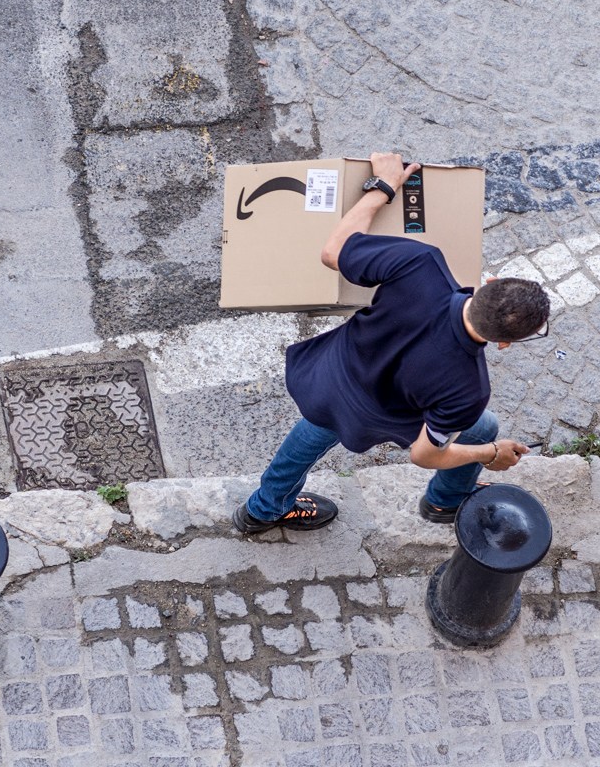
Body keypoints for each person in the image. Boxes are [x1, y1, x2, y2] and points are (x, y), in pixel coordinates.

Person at [232, 152, 552, 534]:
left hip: (330, 375)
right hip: (375, 416)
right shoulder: (468, 390)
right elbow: (424, 454)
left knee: (315, 426)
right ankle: (443, 502)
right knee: (484, 427)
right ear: (505, 344)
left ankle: (263, 509)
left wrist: (383, 186)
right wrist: (491, 453)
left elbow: (333, 251)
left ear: (492, 284)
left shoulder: (421, 264)